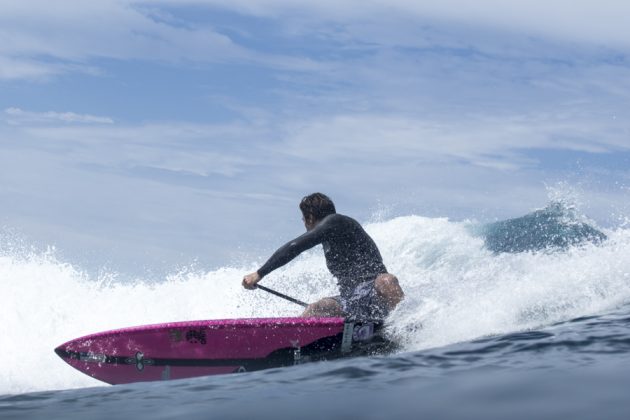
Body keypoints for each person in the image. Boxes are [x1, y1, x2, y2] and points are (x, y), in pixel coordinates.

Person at [242, 193, 404, 320]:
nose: (304, 224)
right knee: (317, 307)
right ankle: (292, 343)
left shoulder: (337, 221)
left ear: (310, 217)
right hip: (350, 300)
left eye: (304, 219)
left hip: (375, 295)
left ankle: (404, 325)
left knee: (386, 280)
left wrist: (259, 273)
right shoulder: (330, 238)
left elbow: (295, 246)